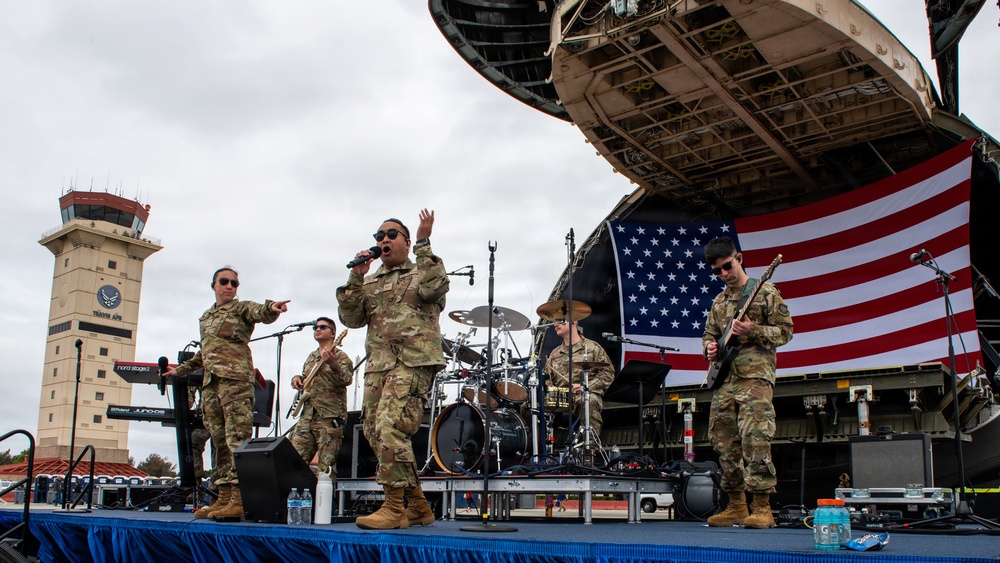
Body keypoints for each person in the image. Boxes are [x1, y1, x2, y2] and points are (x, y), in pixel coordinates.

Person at [337, 209, 449, 530]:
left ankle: (394, 507)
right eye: (379, 236)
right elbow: (352, 318)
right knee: (374, 431)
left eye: (391, 235)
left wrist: (425, 243)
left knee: (390, 425)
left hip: (412, 361)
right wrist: (356, 276)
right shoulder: (371, 282)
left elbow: (435, 289)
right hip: (378, 366)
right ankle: (417, 503)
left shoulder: (422, 273)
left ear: (406, 242)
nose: (383, 240)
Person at [164, 266, 289, 521]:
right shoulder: (206, 317)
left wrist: (271, 309)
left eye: (235, 283)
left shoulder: (240, 309)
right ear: (214, 285)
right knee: (219, 441)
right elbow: (204, 353)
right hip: (211, 384)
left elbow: (258, 311)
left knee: (236, 439)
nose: (230, 286)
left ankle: (239, 498)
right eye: (225, 281)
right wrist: (179, 371)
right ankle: (223, 496)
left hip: (235, 382)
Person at [701, 237, 793, 529]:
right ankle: (736, 505)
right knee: (723, 441)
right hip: (726, 379)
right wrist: (710, 348)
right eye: (717, 271)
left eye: (727, 266)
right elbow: (709, 335)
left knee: (756, 437)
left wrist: (752, 330)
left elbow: (786, 332)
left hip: (754, 376)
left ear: (738, 258)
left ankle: (762, 507)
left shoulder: (764, 292)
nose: (724, 274)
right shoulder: (719, 302)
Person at [288, 316, 354, 483]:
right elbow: (306, 378)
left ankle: (324, 507)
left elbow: (347, 379)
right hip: (307, 416)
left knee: (326, 467)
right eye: (315, 327)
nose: (317, 329)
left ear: (333, 333)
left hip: (329, 418)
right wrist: (297, 379)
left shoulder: (341, 357)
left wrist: (333, 364)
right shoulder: (311, 357)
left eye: (322, 327)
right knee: (292, 462)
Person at [545, 320, 615, 440]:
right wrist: (550, 389)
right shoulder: (554, 354)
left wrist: (586, 387)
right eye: (554, 322)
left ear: (573, 322)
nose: (555, 325)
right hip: (561, 396)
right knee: (530, 406)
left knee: (589, 401)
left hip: (584, 394)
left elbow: (608, 373)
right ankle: (536, 448)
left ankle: (589, 449)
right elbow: (547, 378)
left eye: (560, 321)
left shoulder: (592, 348)